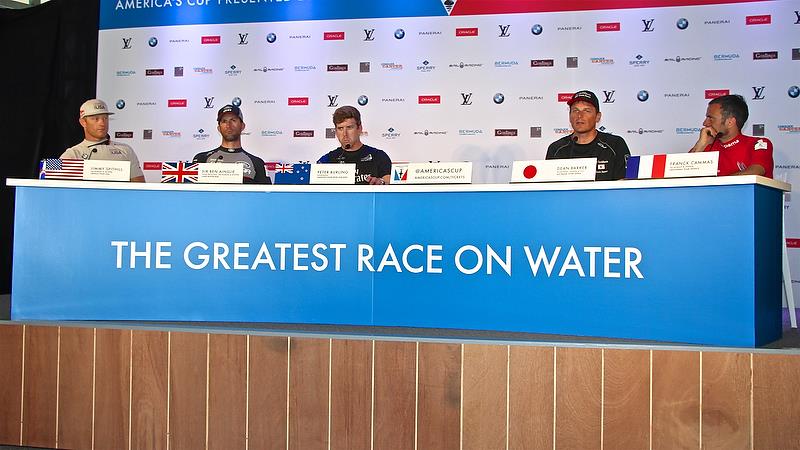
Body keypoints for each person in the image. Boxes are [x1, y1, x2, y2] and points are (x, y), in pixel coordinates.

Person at [546, 90, 630, 181]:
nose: (580, 116)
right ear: (569, 116)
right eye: (575, 110)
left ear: (598, 117)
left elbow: (626, 185)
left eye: (587, 110)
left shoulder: (615, 144)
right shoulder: (556, 149)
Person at [689, 94, 773, 178]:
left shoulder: (758, 144)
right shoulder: (707, 146)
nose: (705, 123)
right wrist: (700, 145)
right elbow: (683, 175)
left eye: (710, 118)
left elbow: (755, 172)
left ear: (730, 122)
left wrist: (715, 183)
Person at [61, 99, 145, 182]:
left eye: (105, 118)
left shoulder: (126, 150)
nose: (102, 123)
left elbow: (139, 187)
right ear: (83, 122)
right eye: (95, 118)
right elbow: (53, 185)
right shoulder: (73, 154)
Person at [192, 105, 271, 184]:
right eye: (224, 121)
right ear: (219, 128)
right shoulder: (202, 159)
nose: (228, 125)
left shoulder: (256, 163)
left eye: (233, 120)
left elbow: (264, 195)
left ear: (242, 126)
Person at [317, 106, 391, 185]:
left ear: (359, 128)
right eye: (340, 128)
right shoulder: (327, 159)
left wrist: (381, 182)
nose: (345, 134)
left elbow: (390, 182)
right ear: (335, 131)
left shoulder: (378, 156)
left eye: (349, 127)